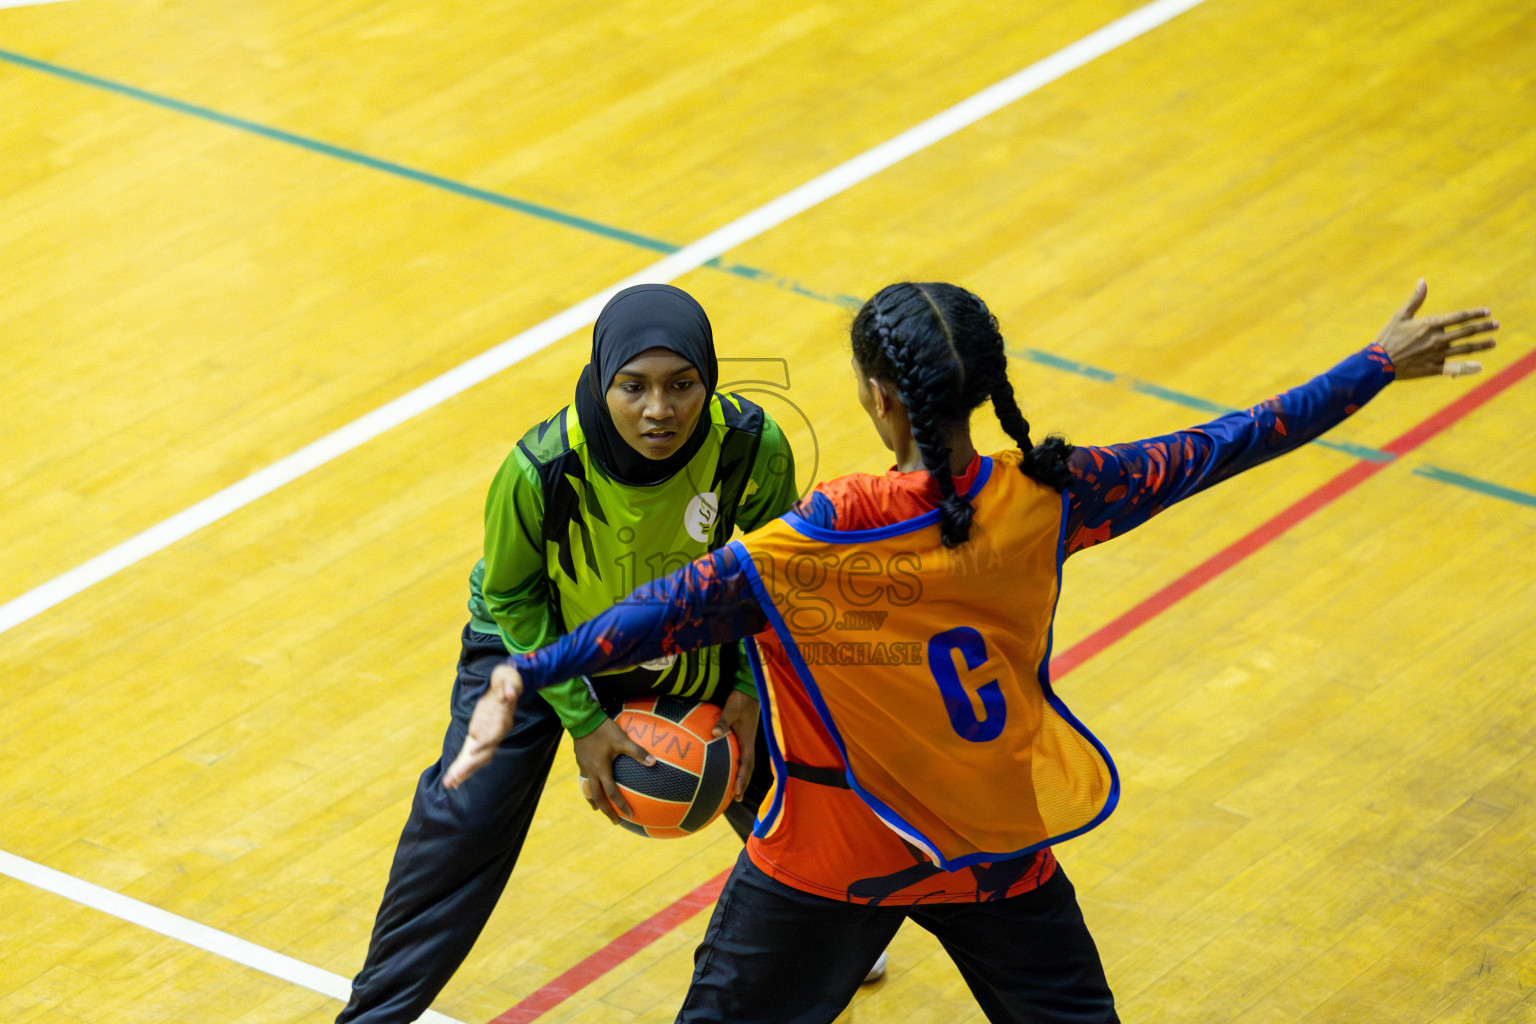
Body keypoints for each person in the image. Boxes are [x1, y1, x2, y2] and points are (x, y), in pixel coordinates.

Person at [443, 281, 1497, 1024]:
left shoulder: (822, 534)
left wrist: (526, 674)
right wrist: (1371, 367)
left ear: (881, 400)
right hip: (994, 853)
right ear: (986, 387)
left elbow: (659, 614)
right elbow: (1233, 442)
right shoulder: (1055, 493)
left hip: (828, 857)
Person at [336, 284, 802, 1023]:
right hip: (535, 640)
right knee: (465, 817)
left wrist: (748, 686)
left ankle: (815, 940)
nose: (660, 409)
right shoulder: (541, 467)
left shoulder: (749, 444)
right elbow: (515, 600)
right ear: (602, 379)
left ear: (709, 381)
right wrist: (584, 722)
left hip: (672, 626)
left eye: (683, 386)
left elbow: (777, 568)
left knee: (786, 786)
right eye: (634, 387)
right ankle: (376, 1014)